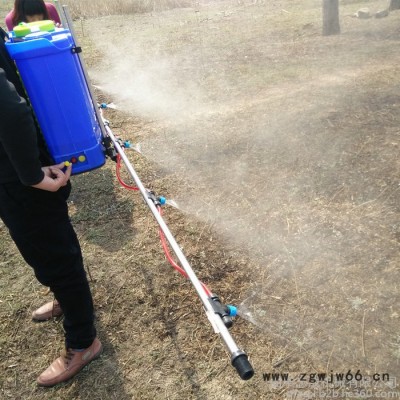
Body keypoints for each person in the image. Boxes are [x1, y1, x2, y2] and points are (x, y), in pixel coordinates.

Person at [0, 26, 102, 387]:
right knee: (51, 247)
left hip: (19, 174)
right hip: (21, 165)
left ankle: (83, 341)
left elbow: (10, 108)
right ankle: (68, 299)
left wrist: (30, 175)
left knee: (52, 253)